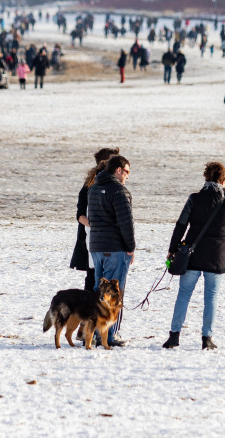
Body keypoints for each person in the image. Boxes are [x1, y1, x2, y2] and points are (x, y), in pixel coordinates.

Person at [163, 161, 225, 351]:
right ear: (224, 181)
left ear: (206, 179)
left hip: (191, 255)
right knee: (211, 298)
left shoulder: (194, 199)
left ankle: (174, 335)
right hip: (216, 257)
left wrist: (173, 248)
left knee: (183, 295)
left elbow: (181, 224)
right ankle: (207, 338)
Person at [86, 155, 134, 346]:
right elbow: (126, 223)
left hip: (96, 247)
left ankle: (96, 333)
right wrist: (130, 247)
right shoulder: (119, 191)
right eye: (127, 172)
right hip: (114, 248)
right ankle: (108, 335)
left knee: (99, 291)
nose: (128, 176)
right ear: (118, 170)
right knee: (113, 293)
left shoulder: (94, 188)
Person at [71, 148, 120, 293]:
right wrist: (96, 226)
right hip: (92, 239)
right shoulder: (90, 185)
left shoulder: (114, 183)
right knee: (93, 277)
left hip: (105, 239)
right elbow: (80, 214)